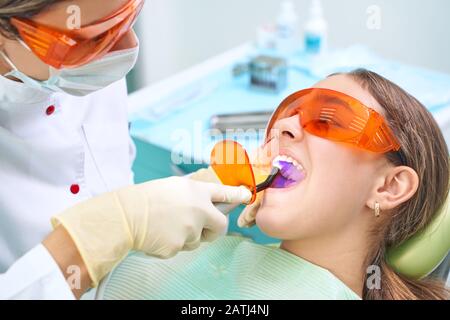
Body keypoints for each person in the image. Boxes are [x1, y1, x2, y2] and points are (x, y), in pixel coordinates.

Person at [97, 69, 449, 300]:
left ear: (389, 187)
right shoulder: (210, 247)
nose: (283, 127)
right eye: (288, 112)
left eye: (326, 118)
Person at [0, 0, 251, 299]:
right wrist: (96, 239)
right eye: (94, 38)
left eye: (129, 14)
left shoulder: (88, 69)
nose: (129, 47)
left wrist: (149, 213)